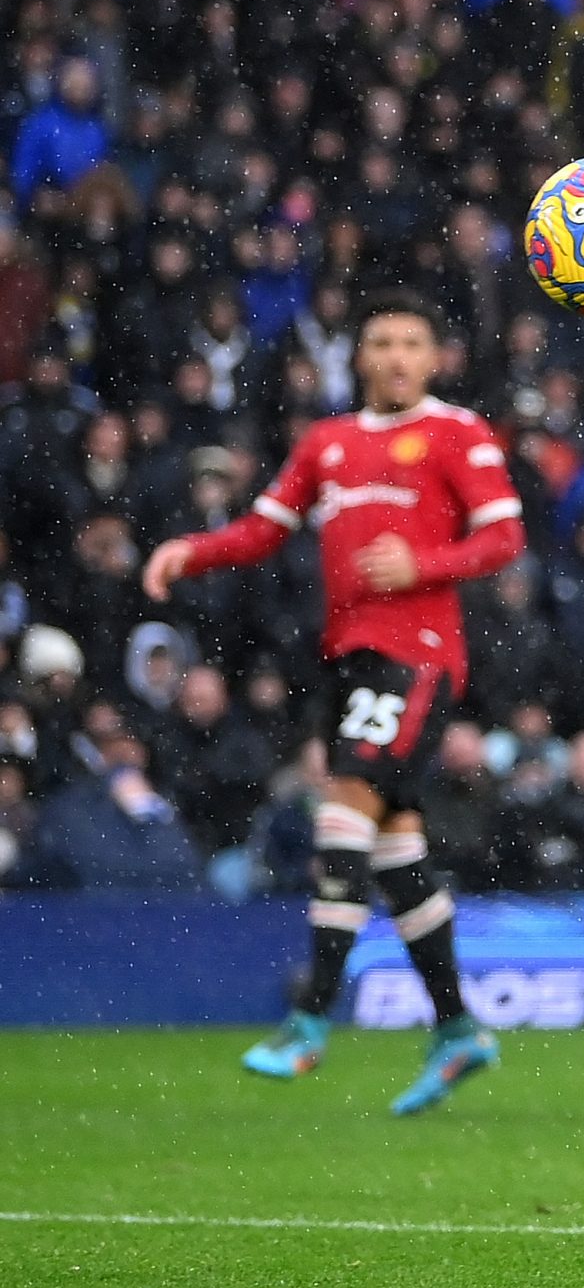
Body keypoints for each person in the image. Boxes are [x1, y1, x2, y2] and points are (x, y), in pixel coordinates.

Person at [142, 290, 526, 1113]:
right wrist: (190, 552)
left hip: (417, 657)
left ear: (433, 359)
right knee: (394, 850)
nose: (395, 356)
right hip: (350, 661)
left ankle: (310, 1020)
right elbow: (262, 529)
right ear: (359, 357)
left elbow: (504, 536)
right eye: (381, 341)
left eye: (411, 342)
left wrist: (420, 565)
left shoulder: (457, 433)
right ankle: (458, 1029)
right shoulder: (329, 442)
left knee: (342, 810)